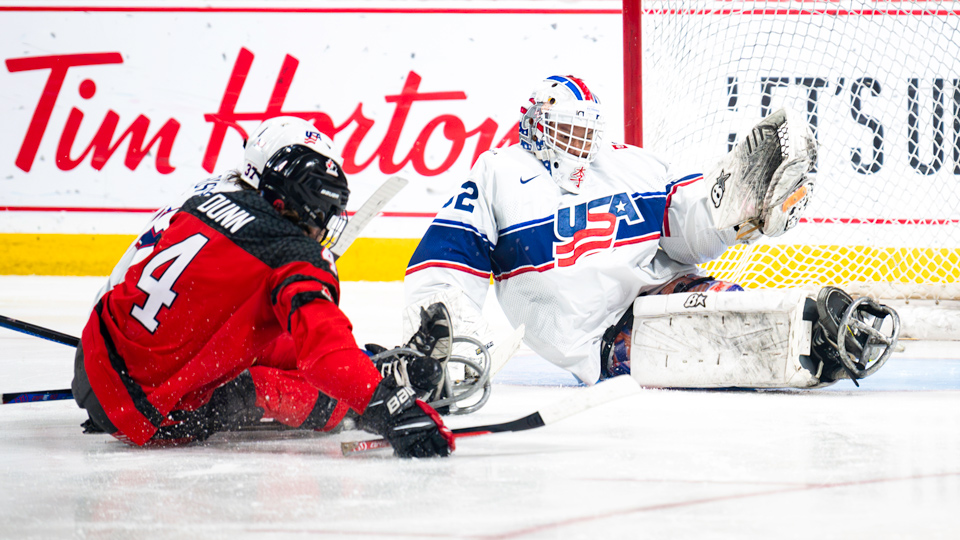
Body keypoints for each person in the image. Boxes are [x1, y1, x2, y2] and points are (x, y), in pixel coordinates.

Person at [403, 75, 900, 389]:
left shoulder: (627, 164)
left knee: (734, 313)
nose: (579, 144)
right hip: (597, 337)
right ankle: (818, 338)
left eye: (586, 132)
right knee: (721, 340)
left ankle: (819, 327)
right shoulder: (497, 174)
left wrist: (738, 212)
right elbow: (447, 260)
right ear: (535, 125)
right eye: (566, 131)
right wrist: (446, 331)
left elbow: (684, 223)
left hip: (666, 289)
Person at [71, 116, 454, 458]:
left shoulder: (206, 197)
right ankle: (362, 398)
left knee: (269, 334)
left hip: (94, 354)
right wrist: (392, 409)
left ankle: (369, 366)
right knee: (263, 386)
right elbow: (324, 358)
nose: (323, 223)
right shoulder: (293, 254)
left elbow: (128, 272)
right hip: (144, 411)